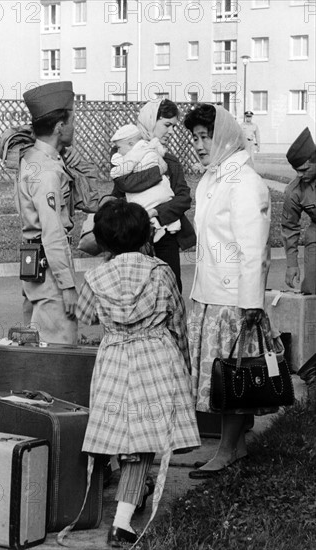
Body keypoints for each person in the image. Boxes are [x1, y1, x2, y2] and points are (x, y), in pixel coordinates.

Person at [76, 199, 200, 547]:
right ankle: (122, 522)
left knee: (118, 432)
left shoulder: (96, 276)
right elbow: (177, 320)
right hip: (155, 358)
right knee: (142, 443)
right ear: (146, 234)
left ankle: (127, 497)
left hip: (115, 358)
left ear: (102, 241)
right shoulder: (160, 272)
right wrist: (185, 367)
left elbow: (85, 316)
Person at [183, 104, 275, 479]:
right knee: (225, 377)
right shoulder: (212, 177)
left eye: (207, 137)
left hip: (234, 298)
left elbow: (254, 249)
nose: (201, 145)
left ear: (224, 136)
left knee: (231, 377)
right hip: (210, 293)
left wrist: (251, 302)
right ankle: (234, 448)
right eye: (196, 138)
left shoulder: (245, 181)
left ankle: (225, 451)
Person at [110, 98, 196, 294]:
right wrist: (157, 174)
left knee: (170, 290)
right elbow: (121, 188)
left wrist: (156, 212)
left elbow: (183, 198)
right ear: (150, 121)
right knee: (136, 294)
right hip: (134, 238)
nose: (171, 132)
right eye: (167, 125)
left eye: (174, 126)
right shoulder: (125, 155)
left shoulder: (169, 160)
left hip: (167, 238)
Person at [17, 81, 79, 344]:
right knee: (59, 350)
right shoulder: (48, 172)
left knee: (34, 346)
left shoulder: (31, 157)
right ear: (59, 126)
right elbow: (53, 233)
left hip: (34, 267)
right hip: (50, 270)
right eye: (72, 120)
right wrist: (67, 286)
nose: (75, 126)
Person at [282, 127, 316, 408]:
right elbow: (290, 227)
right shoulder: (294, 189)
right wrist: (292, 264)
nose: (302, 174)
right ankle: (311, 368)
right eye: (298, 170)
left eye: (305, 168)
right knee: (313, 295)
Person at [110, 123, 181, 243]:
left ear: (131, 144)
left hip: (152, 195)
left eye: (119, 148)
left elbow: (123, 172)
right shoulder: (151, 147)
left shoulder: (134, 154)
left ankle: (157, 227)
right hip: (164, 192)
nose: (118, 151)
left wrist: (116, 171)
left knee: (141, 206)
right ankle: (170, 225)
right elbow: (161, 160)